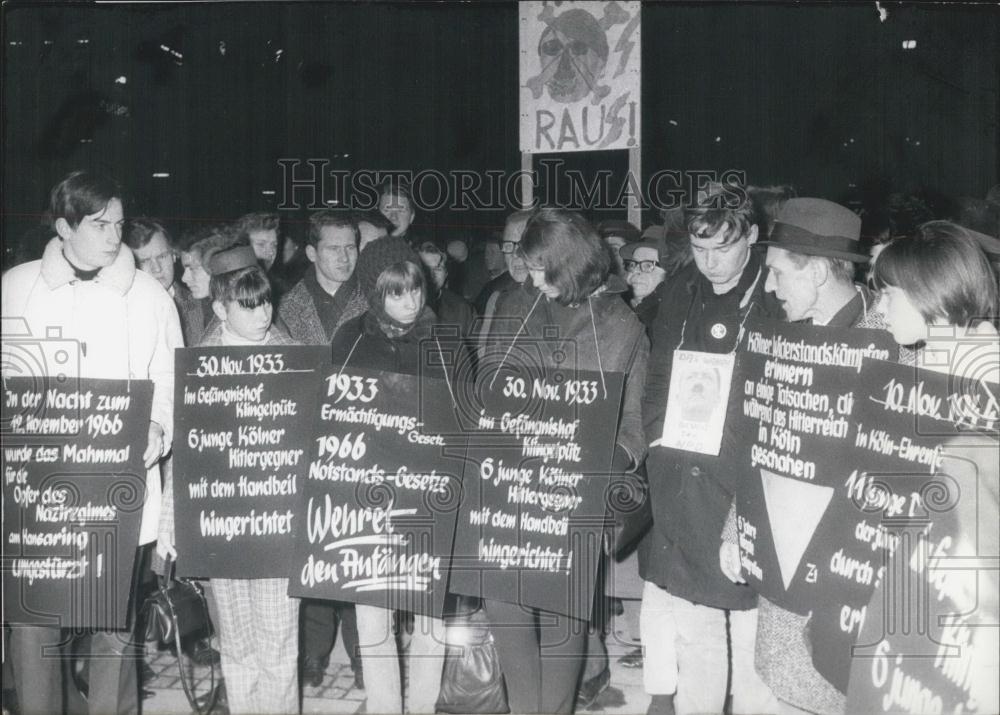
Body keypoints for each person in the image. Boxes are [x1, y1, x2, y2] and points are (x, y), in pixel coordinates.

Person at [2, 170, 182, 715]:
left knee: (115, 631)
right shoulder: (15, 287)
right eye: (99, 224)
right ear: (64, 226)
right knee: (36, 627)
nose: (114, 235)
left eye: (119, 224)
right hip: (38, 498)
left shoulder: (149, 296)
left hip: (119, 491)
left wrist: (159, 425)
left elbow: (171, 377)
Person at [719, 197, 898, 715]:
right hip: (780, 586)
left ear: (819, 271)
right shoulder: (783, 342)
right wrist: (736, 529)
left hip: (844, 594)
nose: (768, 287)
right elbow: (766, 449)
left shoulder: (890, 348)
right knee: (785, 690)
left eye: (777, 272)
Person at [481, 208, 649, 714]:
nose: (532, 279)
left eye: (541, 269)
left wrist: (600, 466)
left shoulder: (623, 327)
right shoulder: (514, 305)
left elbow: (635, 428)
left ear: (571, 264)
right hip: (510, 486)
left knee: (562, 617)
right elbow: (486, 387)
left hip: (575, 494)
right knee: (503, 605)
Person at [640, 184, 781, 715]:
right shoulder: (681, 288)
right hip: (681, 473)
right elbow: (658, 375)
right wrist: (656, 436)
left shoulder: (774, 295)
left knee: (750, 635)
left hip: (744, 481)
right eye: (700, 250)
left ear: (752, 235)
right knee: (694, 630)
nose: (711, 263)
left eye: (723, 247)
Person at [158, 245, 299, 715]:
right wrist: (170, 521)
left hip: (279, 526)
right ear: (219, 308)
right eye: (248, 305)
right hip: (222, 525)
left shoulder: (294, 359)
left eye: (266, 302)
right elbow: (185, 451)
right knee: (236, 646)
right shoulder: (199, 366)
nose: (263, 315)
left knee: (279, 644)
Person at [868, 220, 999, 715]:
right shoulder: (928, 364)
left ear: (930, 296)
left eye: (888, 295)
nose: (878, 308)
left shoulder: (987, 376)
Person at [329, 235, 458, 714]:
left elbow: (465, 421)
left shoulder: (446, 341)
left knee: (430, 621)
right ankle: (384, 706)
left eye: (415, 289)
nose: (410, 302)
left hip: (428, 503)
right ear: (372, 291)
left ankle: (422, 706)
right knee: (373, 622)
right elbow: (332, 419)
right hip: (368, 502)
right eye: (395, 292)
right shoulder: (349, 339)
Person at [276, 209, 366, 689]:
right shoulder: (285, 307)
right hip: (308, 443)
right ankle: (312, 654)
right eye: (334, 247)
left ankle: (361, 653)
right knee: (311, 548)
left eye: (351, 246)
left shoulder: (376, 297)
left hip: (365, 442)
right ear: (311, 252)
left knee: (357, 547)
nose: (345, 256)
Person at [178, 225, 233, 345]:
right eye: (184, 269)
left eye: (193, 268)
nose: (184, 278)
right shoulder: (190, 309)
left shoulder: (243, 310)